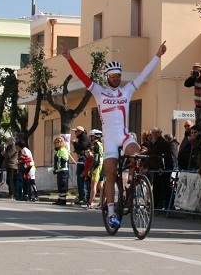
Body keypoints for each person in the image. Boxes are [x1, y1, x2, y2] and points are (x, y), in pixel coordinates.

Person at [62, 41, 166, 229]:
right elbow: (82, 77)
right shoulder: (99, 91)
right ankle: (111, 212)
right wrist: (70, 59)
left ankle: (130, 185)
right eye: (112, 76)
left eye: (118, 76)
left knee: (137, 156)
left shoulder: (127, 90)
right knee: (110, 174)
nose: (116, 78)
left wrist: (158, 55)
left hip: (125, 135)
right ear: (107, 77)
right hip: (109, 138)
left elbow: (144, 74)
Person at [71, 126, 91, 205]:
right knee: (79, 179)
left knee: (83, 179)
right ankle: (81, 197)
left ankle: (84, 197)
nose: (75, 133)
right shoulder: (81, 139)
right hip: (80, 160)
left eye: (76, 132)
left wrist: (75, 143)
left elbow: (82, 146)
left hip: (84, 161)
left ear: (79, 131)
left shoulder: (85, 138)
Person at [87, 129, 104, 209]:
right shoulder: (101, 144)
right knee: (101, 186)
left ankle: (91, 202)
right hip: (102, 165)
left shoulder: (96, 145)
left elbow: (95, 159)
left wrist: (91, 169)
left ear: (94, 137)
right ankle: (101, 202)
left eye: (91, 136)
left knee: (93, 185)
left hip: (97, 166)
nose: (90, 138)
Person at [52, 135, 70, 205]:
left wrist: (59, 158)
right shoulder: (58, 150)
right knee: (59, 185)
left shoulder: (63, 149)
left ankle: (63, 200)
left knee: (63, 185)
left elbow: (65, 159)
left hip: (63, 170)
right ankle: (60, 199)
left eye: (59, 142)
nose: (57, 143)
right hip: (59, 170)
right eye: (56, 142)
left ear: (62, 142)